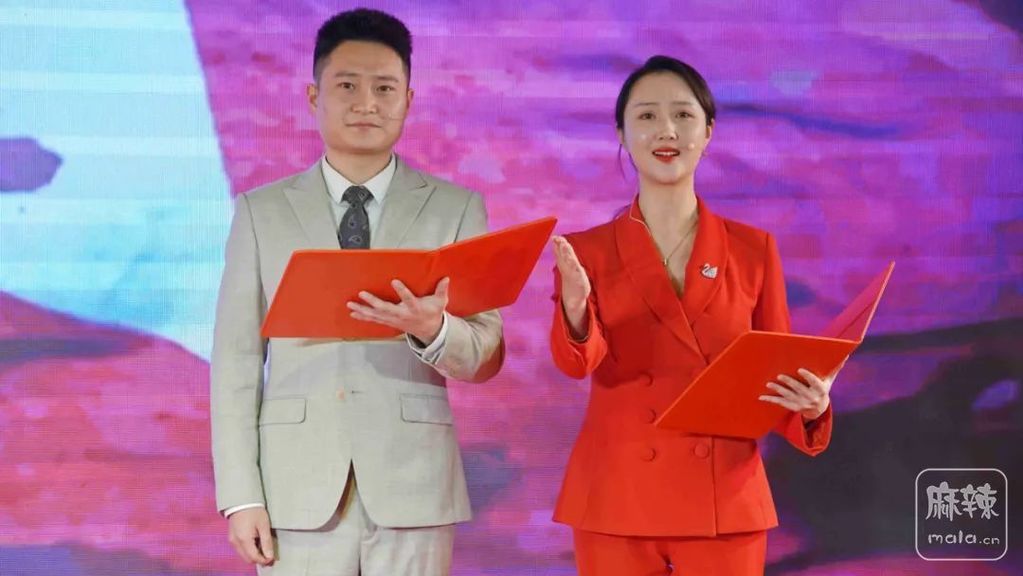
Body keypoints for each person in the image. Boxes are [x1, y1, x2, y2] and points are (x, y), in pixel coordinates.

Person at [210, 8, 504, 575]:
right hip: (295, 491)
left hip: (414, 487)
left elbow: (485, 354)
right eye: (347, 86)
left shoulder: (455, 208)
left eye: (384, 88)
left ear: (409, 100)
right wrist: (242, 496)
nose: (366, 103)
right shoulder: (260, 212)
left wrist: (434, 330)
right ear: (312, 96)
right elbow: (236, 362)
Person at [549, 55, 837, 575]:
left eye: (683, 115)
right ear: (621, 133)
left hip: (723, 496)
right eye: (647, 115)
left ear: (708, 132)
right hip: (617, 496)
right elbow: (576, 363)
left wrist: (811, 406)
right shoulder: (584, 252)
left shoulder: (753, 250)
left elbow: (774, 373)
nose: (667, 130)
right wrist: (574, 310)